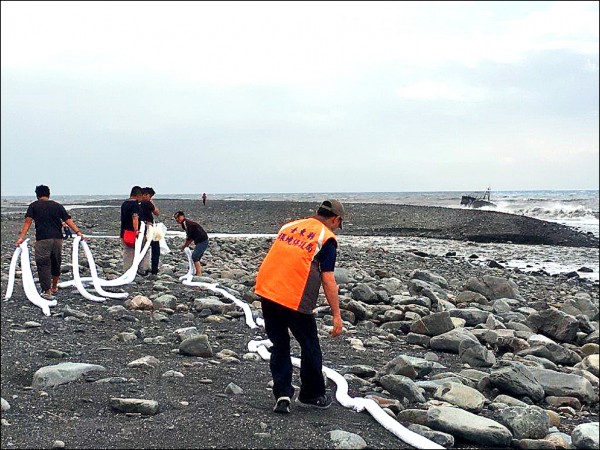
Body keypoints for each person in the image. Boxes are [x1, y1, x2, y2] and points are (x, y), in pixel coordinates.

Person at [254, 199, 345, 414]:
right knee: (309, 344)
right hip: (294, 296)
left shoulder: (289, 226)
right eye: (338, 224)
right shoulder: (326, 237)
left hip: (267, 291)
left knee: (280, 345)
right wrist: (336, 315)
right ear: (335, 219)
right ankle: (311, 394)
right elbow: (328, 278)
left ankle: (283, 394)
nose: (336, 228)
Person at [15, 185, 85, 299]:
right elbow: (68, 220)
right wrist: (78, 232)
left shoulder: (33, 206)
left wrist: (21, 238)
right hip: (57, 239)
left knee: (43, 263)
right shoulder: (57, 206)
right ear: (49, 194)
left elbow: (28, 222)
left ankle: (47, 291)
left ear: (37, 195)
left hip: (43, 239)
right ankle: (54, 286)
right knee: (56, 261)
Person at [173, 211, 209, 276]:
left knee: (195, 256)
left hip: (203, 241)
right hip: (199, 241)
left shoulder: (188, 224)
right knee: (196, 257)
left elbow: (189, 238)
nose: (177, 220)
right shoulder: (184, 224)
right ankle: (196, 271)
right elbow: (189, 236)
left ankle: (199, 274)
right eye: (175, 218)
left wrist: (185, 246)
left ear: (182, 216)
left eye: (177, 218)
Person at [139, 186, 160, 277]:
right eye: (150, 196)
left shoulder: (137, 203)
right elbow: (156, 212)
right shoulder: (147, 203)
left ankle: (141, 268)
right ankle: (154, 269)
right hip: (149, 228)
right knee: (155, 249)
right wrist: (152, 203)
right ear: (145, 195)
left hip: (140, 228)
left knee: (142, 248)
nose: (150, 198)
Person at [120, 186, 142, 271]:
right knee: (133, 251)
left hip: (123, 232)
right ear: (138, 195)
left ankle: (127, 269)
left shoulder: (124, 204)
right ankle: (132, 270)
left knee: (127, 251)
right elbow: (135, 217)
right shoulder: (135, 205)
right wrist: (136, 230)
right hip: (131, 233)